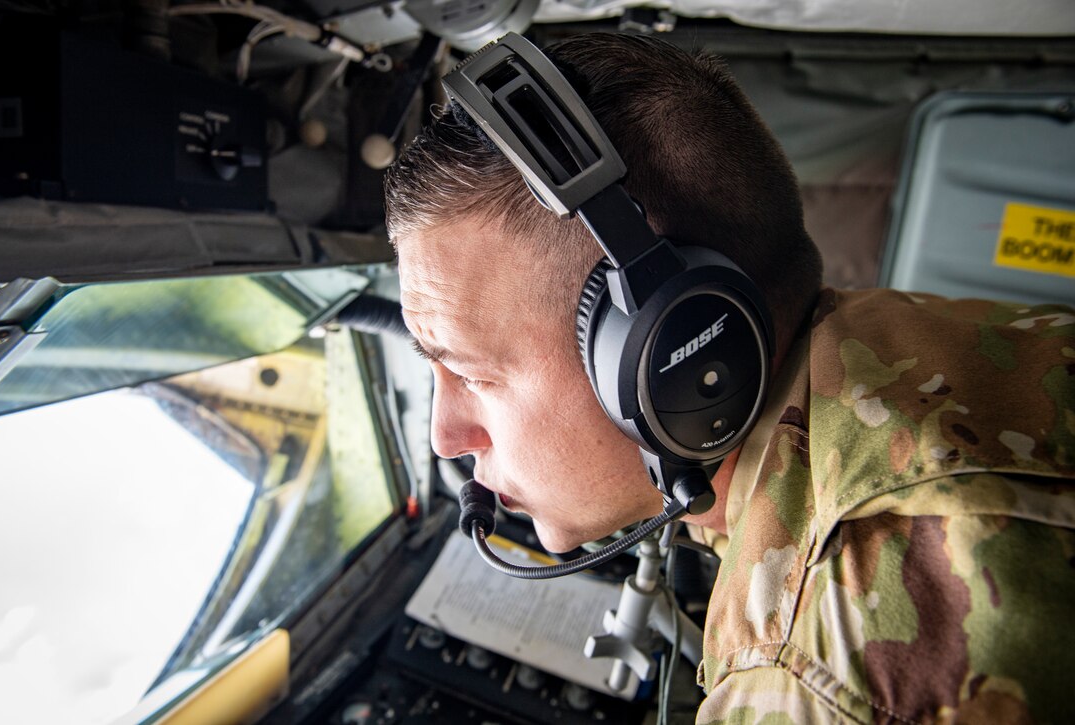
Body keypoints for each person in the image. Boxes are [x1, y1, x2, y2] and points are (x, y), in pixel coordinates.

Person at [383, 32, 1075, 724]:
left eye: (471, 372)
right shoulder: (905, 335)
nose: (446, 435)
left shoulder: (817, 672)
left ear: (668, 348)